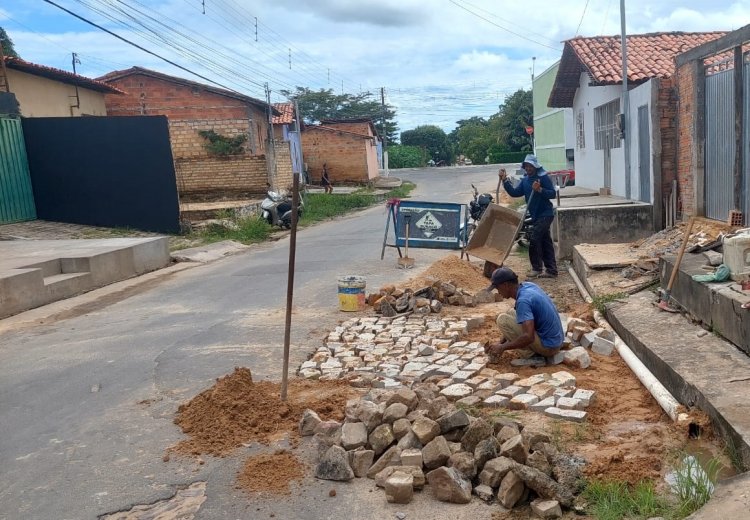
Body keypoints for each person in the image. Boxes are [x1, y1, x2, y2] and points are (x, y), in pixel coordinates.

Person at [483, 267, 564, 364]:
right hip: (556, 340)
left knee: (502, 320)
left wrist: (502, 347)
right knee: (510, 312)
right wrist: (500, 343)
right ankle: (533, 351)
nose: (498, 292)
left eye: (498, 288)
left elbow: (528, 337)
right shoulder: (528, 286)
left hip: (549, 347)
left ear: (506, 285)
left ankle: (532, 356)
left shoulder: (523, 301)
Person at [499, 154, 558, 278]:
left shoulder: (542, 178)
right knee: (545, 241)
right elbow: (515, 193)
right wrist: (505, 180)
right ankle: (552, 270)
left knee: (535, 238)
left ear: (535, 166)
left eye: (530, 166)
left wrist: (540, 190)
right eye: (526, 166)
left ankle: (537, 268)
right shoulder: (525, 180)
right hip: (536, 216)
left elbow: (552, 194)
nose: (528, 168)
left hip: (546, 214)